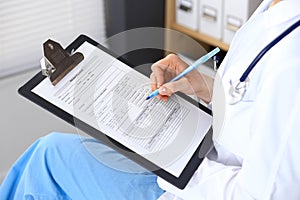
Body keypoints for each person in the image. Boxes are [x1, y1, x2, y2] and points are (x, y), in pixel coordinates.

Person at [1, 0, 300, 199]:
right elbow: (259, 104)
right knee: (53, 151)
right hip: (201, 160)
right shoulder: (275, 9)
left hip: (198, 183)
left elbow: (269, 195)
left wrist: (175, 163)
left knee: (48, 159)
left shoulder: (292, 60)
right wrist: (208, 89)